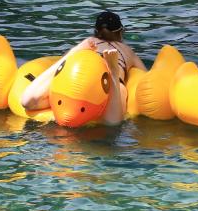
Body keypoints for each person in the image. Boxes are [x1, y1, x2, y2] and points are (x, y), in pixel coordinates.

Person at [18, 11, 147, 126]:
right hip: (109, 87)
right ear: (121, 32)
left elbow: (27, 103)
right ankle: (113, 73)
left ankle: (71, 56)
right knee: (113, 123)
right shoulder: (127, 51)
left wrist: (74, 52)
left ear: (96, 31)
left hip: (78, 82)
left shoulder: (89, 42)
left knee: (27, 101)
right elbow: (145, 76)